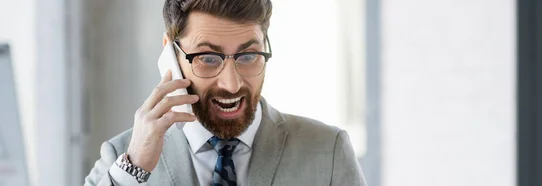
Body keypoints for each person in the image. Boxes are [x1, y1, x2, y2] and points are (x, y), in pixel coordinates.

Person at [84, 0, 366, 185]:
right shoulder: (122, 158)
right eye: (207, 58)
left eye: (248, 56)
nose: (231, 84)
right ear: (170, 53)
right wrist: (133, 170)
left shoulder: (328, 152)